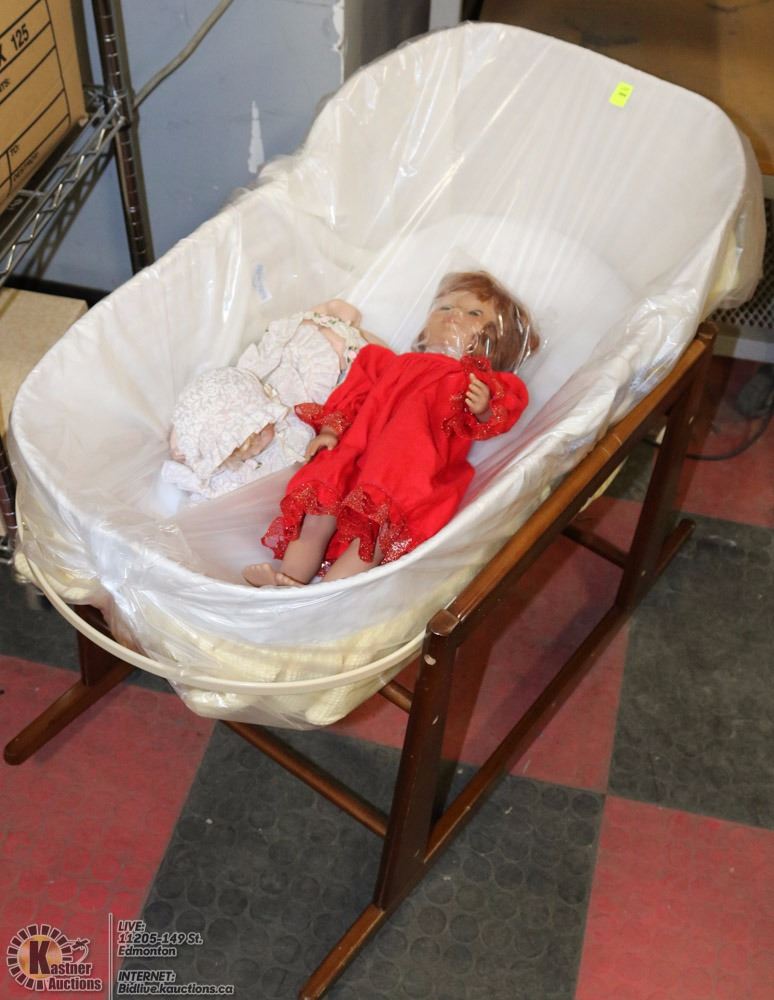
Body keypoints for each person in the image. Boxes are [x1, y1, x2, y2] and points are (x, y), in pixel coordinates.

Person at [243, 271, 536, 586]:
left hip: (405, 471)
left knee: (372, 537)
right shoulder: (384, 361)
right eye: (445, 307)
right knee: (317, 513)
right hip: (355, 451)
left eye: (474, 313)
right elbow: (352, 397)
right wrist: (331, 430)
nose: (454, 316)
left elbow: (501, 416)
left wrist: (485, 408)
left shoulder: (474, 380)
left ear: (496, 340)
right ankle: (287, 580)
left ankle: (322, 597)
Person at [162, 300, 375, 501]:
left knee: (351, 360)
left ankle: (342, 334)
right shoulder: (217, 427)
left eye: (262, 435)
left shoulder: (288, 424)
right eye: (252, 448)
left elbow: (300, 446)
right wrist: (185, 448)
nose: (256, 450)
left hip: (307, 370)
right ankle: (333, 328)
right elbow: (193, 413)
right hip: (266, 380)